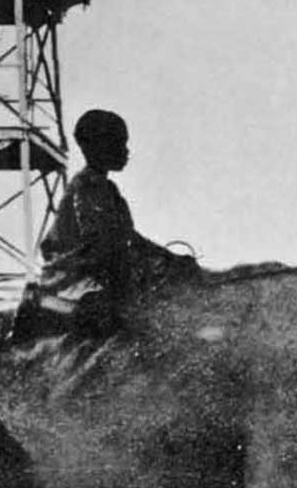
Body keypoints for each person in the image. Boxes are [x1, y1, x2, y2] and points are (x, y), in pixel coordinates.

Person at [30, 108, 193, 337]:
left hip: (94, 274)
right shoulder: (88, 188)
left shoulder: (105, 189)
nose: (126, 151)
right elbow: (107, 244)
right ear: (100, 147)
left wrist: (169, 259)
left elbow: (127, 238)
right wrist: (162, 262)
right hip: (74, 280)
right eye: (119, 143)